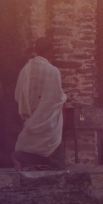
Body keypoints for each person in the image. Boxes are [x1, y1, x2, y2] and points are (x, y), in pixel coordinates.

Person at [13, 37, 67, 170]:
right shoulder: (53, 71)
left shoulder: (26, 69)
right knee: (54, 147)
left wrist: (30, 113)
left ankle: (22, 158)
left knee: (31, 145)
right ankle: (55, 172)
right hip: (48, 118)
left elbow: (18, 94)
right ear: (50, 51)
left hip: (31, 117)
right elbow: (56, 98)